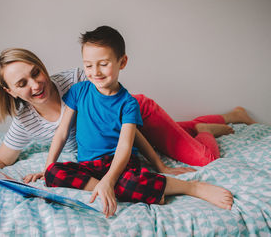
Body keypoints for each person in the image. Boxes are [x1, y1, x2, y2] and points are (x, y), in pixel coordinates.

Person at [26, 26, 234, 218]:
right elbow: (62, 133)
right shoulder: (79, 91)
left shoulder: (128, 103)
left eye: (103, 64)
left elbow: (126, 146)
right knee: (54, 173)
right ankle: (125, 190)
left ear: (122, 62)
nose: (95, 72)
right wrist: (47, 167)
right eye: (88, 65)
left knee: (131, 182)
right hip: (89, 165)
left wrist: (112, 179)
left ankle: (193, 187)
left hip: (119, 163)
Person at [0, 48, 255, 178]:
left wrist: (160, 167)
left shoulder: (77, 80)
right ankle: (229, 116)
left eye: (36, 72)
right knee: (174, 132)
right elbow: (3, 157)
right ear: (10, 92)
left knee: (205, 159)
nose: (36, 84)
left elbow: (122, 114)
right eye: (22, 83)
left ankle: (205, 132)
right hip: (119, 133)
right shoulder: (25, 121)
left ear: (41, 66)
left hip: (135, 114)